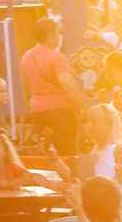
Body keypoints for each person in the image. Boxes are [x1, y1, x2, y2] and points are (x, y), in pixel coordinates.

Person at [19, 16, 80, 154]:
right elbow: (67, 83)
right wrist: (82, 106)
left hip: (38, 111)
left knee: (48, 152)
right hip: (61, 111)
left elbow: (25, 83)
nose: (58, 37)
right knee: (67, 153)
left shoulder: (26, 57)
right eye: (57, 34)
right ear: (50, 37)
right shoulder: (57, 56)